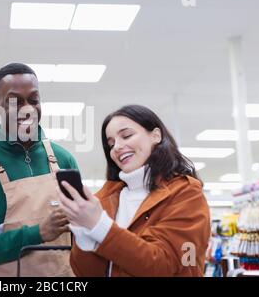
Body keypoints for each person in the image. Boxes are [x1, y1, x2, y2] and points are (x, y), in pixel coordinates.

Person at [0, 62, 78, 276]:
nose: (27, 109)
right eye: (14, 102)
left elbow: (80, 235)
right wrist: (36, 234)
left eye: (33, 100)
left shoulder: (64, 161)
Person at [58, 104, 211, 277]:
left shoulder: (185, 194)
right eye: (111, 143)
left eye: (127, 135)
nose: (116, 147)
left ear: (156, 135)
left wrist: (99, 225)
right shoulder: (105, 198)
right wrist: (83, 233)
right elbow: (86, 273)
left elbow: (163, 266)